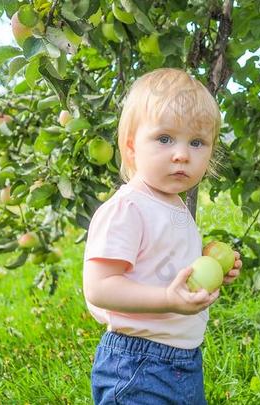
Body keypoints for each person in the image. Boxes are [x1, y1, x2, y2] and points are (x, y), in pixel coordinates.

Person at [83, 68, 242, 404]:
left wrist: (214, 266)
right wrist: (168, 301)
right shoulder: (128, 208)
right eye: (165, 139)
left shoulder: (174, 205)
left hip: (184, 360)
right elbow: (99, 287)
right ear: (131, 147)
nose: (182, 154)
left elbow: (170, 266)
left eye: (197, 142)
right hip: (137, 363)